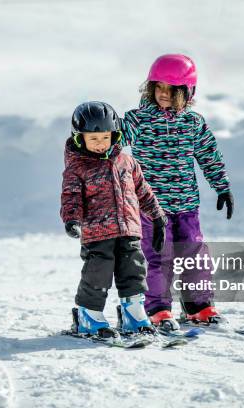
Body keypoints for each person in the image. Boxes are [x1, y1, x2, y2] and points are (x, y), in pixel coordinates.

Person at [121, 54, 234, 330]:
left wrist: (222, 186)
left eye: (171, 91)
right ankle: (157, 309)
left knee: (194, 253)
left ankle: (199, 305)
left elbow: (208, 155)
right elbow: (116, 139)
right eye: (158, 88)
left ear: (187, 92)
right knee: (157, 256)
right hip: (149, 208)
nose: (163, 95)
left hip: (186, 205)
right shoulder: (138, 120)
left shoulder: (193, 123)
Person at [60, 101, 168, 337]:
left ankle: (134, 313)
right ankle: (89, 316)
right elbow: (71, 196)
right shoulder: (77, 168)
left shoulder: (127, 162)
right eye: (93, 139)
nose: (100, 144)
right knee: (98, 273)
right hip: (97, 234)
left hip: (129, 229)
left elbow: (143, 191)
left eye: (105, 137)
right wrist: (72, 220)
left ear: (114, 135)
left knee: (134, 270)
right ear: (80, 139)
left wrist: (158, 216)